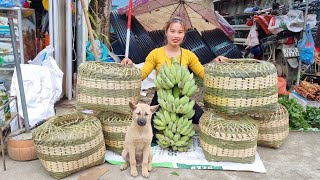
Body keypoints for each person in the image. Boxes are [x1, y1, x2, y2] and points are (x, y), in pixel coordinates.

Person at [121, 16, 228, 139]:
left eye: (180, 32)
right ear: (166, 32)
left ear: (184, 35)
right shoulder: (155, 53)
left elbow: (203, 73)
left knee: (203, 119)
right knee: (153, 136)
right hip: (161, 98)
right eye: (172, 31)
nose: (176, 35)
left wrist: (214, 62)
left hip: (181, 98)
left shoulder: (189, 55)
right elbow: (142, 74)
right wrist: (131, 65)